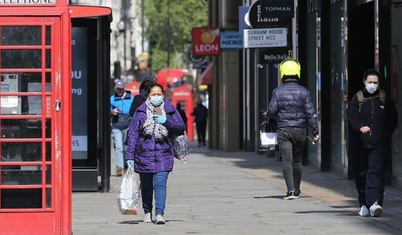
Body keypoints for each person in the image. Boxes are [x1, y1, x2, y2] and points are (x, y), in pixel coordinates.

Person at [125, 83, 185, 224]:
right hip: (143, 156)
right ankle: (147, 212)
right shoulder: (140, 112)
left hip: (163, 155)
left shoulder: (170, 110)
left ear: (163, 96)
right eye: (153, 94)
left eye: (159, 94)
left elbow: (180, 128)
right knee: (146, 186)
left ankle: (159, 214)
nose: (156, 97)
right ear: (148, 95)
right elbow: (133, 135)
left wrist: (166, 121)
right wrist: (130, 156)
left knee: (160, 184)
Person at [263, 58, 320, 200]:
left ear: (283, 73)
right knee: (297, 161)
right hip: (300, 130)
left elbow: (272, 110)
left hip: (284, 130)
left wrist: (268, 114)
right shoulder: (304, 91)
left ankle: (291, 191)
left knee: (287, 160)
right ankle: (297, 188)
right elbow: (310, 113)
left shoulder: (277, 91)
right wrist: (316, 132)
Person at [347, 69, 397, 217]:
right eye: (370, 82)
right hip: (359, 145)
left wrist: (383, 134)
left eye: (375, 82)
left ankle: (375, 203)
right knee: (361, 175)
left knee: (375, 173)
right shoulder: (358, 98)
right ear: (364, 82)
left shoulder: (384, 98)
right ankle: (364, 204)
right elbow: (352, 116)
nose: (372, 85)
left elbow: (392, 119)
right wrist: (359, 127)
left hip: (379, 144)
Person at [110, 80, 134, 176]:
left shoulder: (130, 98)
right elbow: (108, 110)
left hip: (127, 125)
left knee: (126, 147)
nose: (119, 90)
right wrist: (112, 112)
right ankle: (119, 167)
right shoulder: (112, 99)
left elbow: (133, 111)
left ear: (124, 88)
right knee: (119, 147)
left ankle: (126, 165)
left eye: (121, 89)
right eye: (118, 89)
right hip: (117, 125)